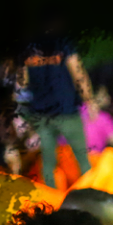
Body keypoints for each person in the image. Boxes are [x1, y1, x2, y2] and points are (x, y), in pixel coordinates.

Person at [19, 15, 96, 188]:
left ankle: (51, 199)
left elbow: (22, 82)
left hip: (41, 113)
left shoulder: (29, 48)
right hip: (66, 111)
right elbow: (77, 73)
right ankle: (90, 193)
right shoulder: (63, 43)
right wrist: (89, 100)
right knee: (82, 158)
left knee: (47, 163)